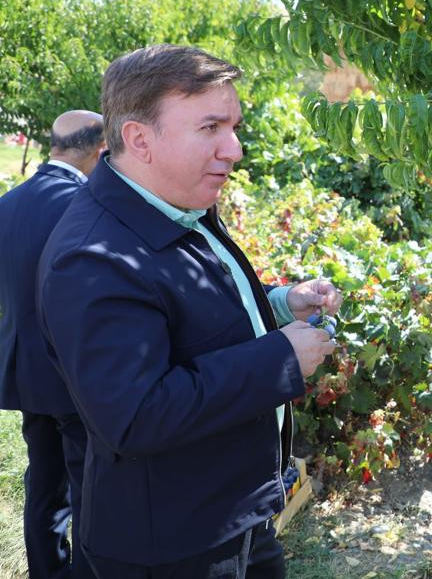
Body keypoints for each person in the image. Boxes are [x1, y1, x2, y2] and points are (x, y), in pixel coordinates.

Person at [36, 44, 340, 578]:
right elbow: (136, 415)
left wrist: (276, 302)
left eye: (234, 126)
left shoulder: (175, 204)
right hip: (175, 547)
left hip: (233, 517)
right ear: (139, 139)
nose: (234, 149)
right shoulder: (93, 258)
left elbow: (186, 311)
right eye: (210, 128)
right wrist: (280, 360)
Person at [0, 110, 106, 579]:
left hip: (24, 367)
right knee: (88, 485)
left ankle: (47, 571)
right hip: (70, 372)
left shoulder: (10, 201)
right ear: (101, 151)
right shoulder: (82, 204)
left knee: (43, 481)